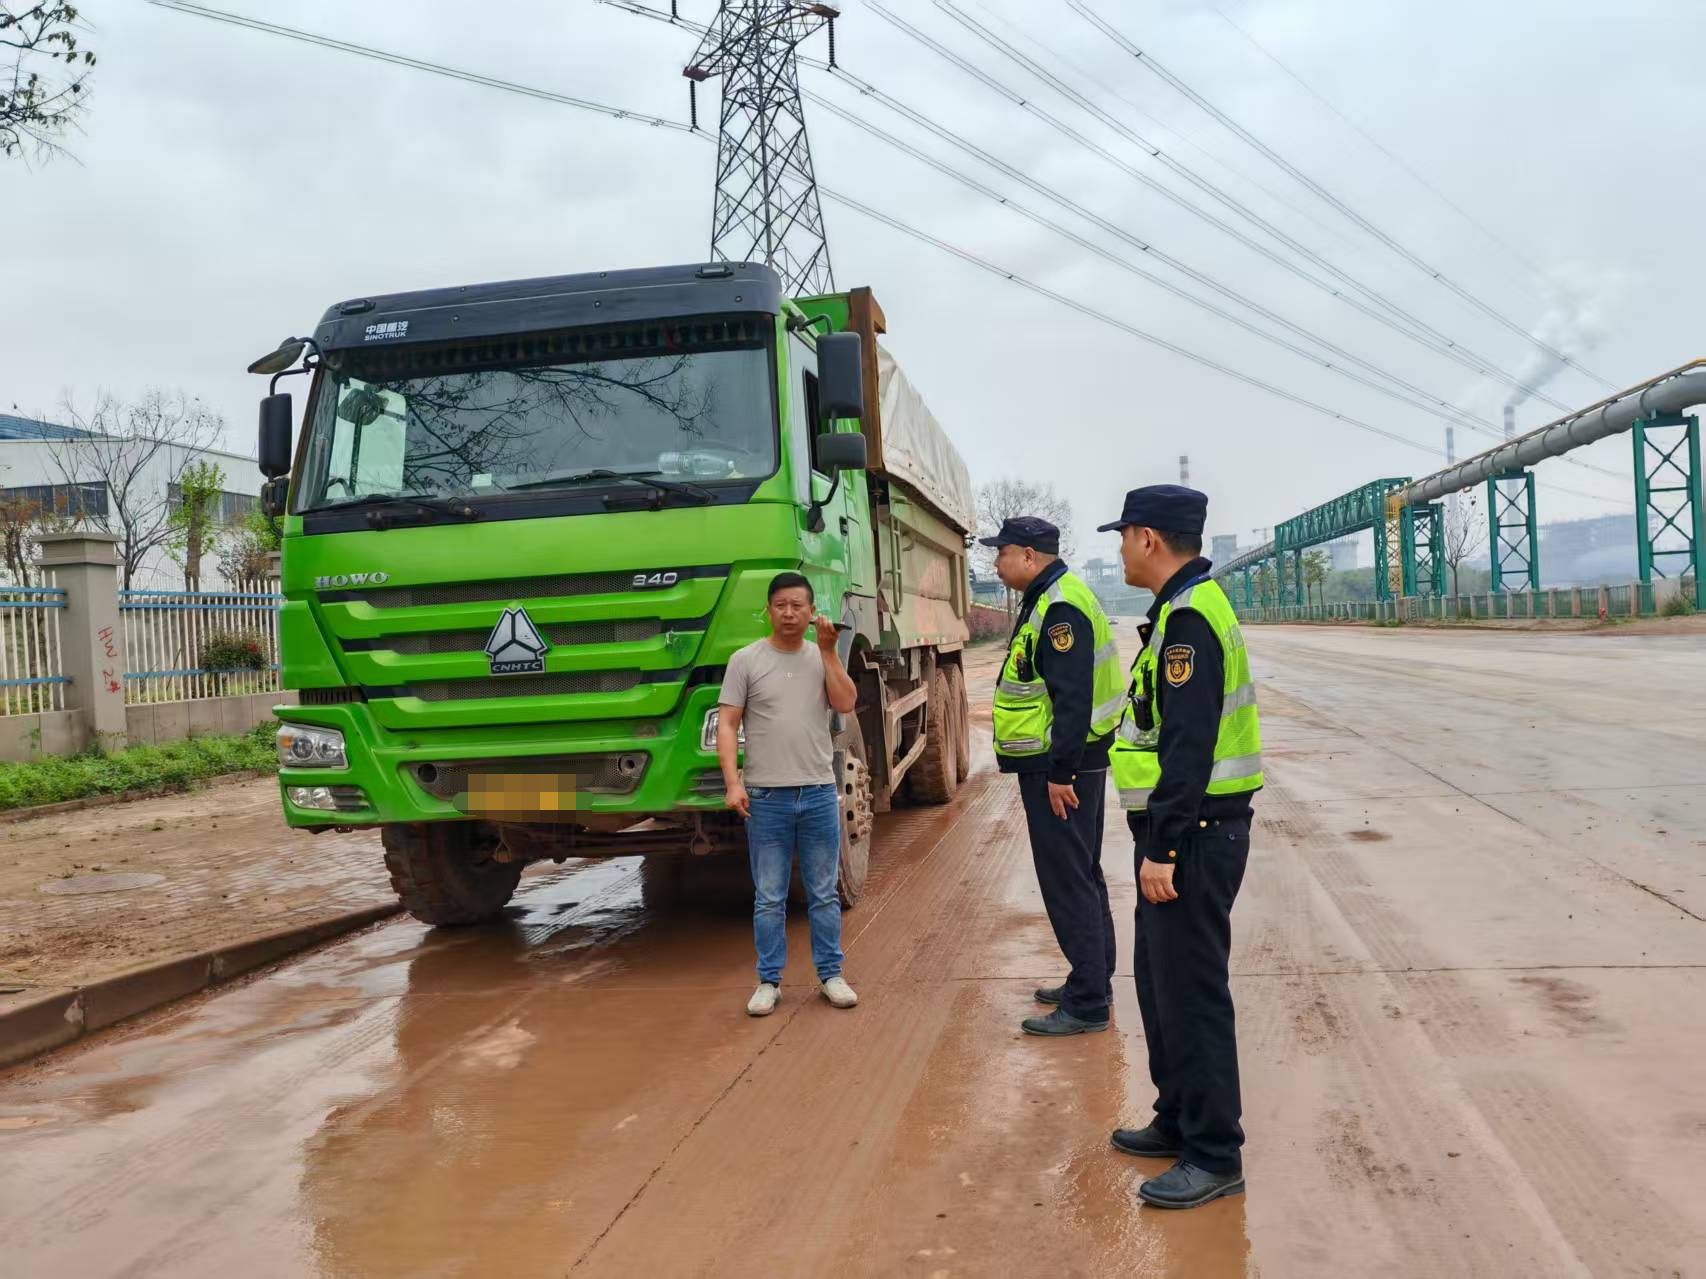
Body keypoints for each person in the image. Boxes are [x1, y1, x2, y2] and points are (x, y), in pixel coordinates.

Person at [1098, 485, 1263, 1210]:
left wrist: (1163, 847)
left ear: (1149, 539)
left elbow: (1189, 747)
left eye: (1123, 536)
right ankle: (1178, 1117)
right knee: (1161, 984)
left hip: (1194, 836)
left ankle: (1214, 1152)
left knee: (1192, 994)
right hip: (1181, 834)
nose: (1119, 550)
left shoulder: (1191, 619)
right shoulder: (1178, 611)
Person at [983, 516, 1127, 1036]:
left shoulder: (1060, 606)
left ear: (1027, 555)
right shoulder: (1051, 597)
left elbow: (1073, 698)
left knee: (1067, 880)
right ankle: (1092, 981)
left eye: (1001, 553)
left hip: (1063, 765)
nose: (995, 563)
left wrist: (1060, 772)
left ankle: (1087, 1003)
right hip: (1068, 761)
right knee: (1081, 872)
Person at [718, 571, 861, 1018]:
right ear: (768, 610)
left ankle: (831, 975)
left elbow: (845, 703)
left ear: (812, 611)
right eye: (780, 605)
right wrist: (733, 782)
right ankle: (769, 981)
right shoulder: (745, 660)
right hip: (766, 798)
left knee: (823, 893)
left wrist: (830, 651)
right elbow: (728, 724)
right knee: (769, 896)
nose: (789, 613)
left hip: (817, 792)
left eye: (798, 605)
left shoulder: (822, 657)